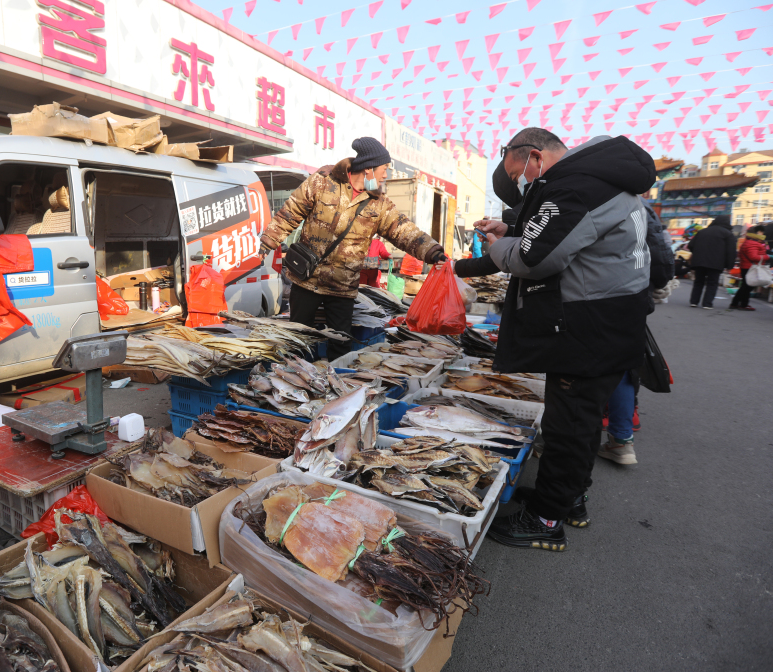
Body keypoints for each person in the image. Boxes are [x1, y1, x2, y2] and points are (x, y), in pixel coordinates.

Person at [473, 128, 655, 552]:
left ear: (535, 157)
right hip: (611, 323)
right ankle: (567, 498)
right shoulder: (603, 181)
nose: (524, 185)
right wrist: (513, 225)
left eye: (520, 174)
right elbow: (567, 234)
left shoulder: (575, 187)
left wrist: (498, 244)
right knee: (582, 420)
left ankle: (546, 519)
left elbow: (531, 258)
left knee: (568, 424)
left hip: (587, 330)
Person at [258, 137, 445, 361]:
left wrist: (433, 251)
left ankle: (335, 387)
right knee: (298, 343)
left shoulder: (379, 204)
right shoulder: (322, 182)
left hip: (342, 288)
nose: (386, 175)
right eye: (384, 169)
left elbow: (404, 231)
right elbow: (291, 211)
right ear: (368, 169)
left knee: (340, 346)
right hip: (306, 281)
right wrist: (268, 241)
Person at [597, 198, 676, 469]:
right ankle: (621, 440)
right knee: (624, 365)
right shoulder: (641, 206)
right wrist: (660, 283)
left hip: (594, 296)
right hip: (634, 296)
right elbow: (661, 251)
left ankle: (567, 439)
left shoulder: (590, 196)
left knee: (584, 363)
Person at [686, 215, 736, 309]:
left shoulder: (702, 232)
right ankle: (707, 304)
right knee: (712, 283)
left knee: (698, 282)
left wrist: (698, 254)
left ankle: (694, 302)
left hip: (699, 261)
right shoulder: (728, 234)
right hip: (716, 263)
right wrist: (729, 265)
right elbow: (731, 251)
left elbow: (691, 245)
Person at [730, 226, 770, 311]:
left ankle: (736, 303)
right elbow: (754, 257)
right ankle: (742, 304)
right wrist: (767, 256)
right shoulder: (752, 243)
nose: (762, 234)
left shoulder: (749, 242)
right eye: (761, 232)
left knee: (746, 286)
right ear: (757, 233)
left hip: (747, 266)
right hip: (750, 267)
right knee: (748, 287)